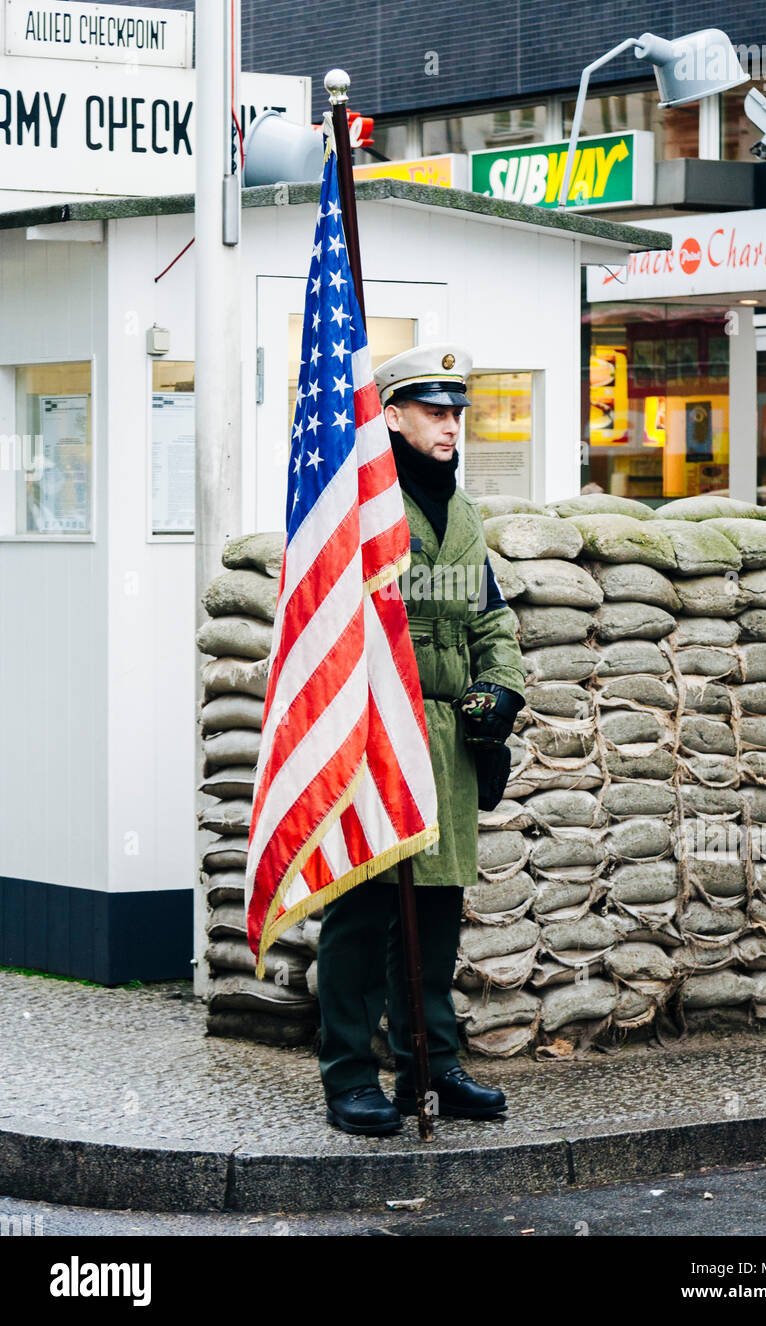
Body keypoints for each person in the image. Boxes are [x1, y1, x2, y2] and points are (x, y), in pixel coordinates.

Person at [316, 344, 526, 1136]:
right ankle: (348, 1076)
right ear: (392, 416)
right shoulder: (364, 510)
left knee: (435, 913)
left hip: (446, 736)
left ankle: (429, 1070)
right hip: (377, 730)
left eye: (456, 413)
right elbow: (334, 626)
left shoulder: (462, 512)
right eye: (434, 412)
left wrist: (500, 687)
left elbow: (490, 617)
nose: (450, 426)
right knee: (364, 912)